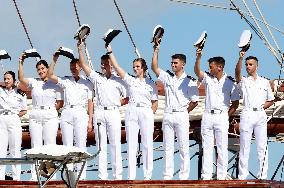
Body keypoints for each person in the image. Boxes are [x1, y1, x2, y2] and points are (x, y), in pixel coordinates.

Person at [77, 40, 128, 180]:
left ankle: (117, 176)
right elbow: (83, 65)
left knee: (115, 144)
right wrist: (80, 49)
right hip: (100, 112)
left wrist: (117, 103)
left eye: (106, 64)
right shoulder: (97, 78)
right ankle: (102, 177)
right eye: (102, 64)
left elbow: (128, 97)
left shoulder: (119, 80)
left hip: (113, 112)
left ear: (111, 65)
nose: (103, 66)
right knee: (101, 146)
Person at [107, 44, 158, 180]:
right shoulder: (130, 80)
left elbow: (155, 102)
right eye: (134, 67)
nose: (135, 69)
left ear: (143, 68)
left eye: (138, 66)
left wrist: (150, 115)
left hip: (146, 111)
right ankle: (131, 176)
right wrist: (110, 50)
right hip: (132, 110)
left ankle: (147, 176)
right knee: (132, 144)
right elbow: (117, 67)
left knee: (147, 144)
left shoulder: (151, 84)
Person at [152, 40, 199, 180]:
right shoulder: (167, 77)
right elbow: (154, 67)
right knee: (167, 146)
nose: (173, 65)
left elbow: (195, 101)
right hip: (168, 114)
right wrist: (156, 50)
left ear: (183, 64)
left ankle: (183, 176)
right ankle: (167, 175)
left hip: (181, 114)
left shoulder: (189, 81)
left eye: (175, 63)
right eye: (172, 63)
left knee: (184, 146)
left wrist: (184, 111)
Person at [194, 47, 240, 180]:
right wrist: (198, 57)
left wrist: (226, 115)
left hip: (221, 116)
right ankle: (206, 175)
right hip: (208, 115)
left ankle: (221, 175)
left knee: (221, 146)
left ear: (219, 67)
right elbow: (197, 71)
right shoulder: (208, 78)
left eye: (211, 67)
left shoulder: (230, 82)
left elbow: (235, 103)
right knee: (207, 146)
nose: (209, 69)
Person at [48, 51, 93, 180]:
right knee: (67, 145)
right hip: (67, 112)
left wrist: (90, 121)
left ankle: (81, 176)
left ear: (80, 67)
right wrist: (54, 59)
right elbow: (50, 75)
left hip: (80, 112)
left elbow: (90, 103)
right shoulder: (66, 80)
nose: (73, 70)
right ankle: (68, 174)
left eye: (75, 67)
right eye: (71, 68)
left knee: (80, 145)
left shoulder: (87, 83)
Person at [18, 55, 63, 180]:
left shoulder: (55, 84)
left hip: (50, 115)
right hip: (36, 115)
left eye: (43, 68)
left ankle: (49, 176)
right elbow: (21, 78)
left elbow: (60, 103)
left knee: (49, 145)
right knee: (36, 146)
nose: (41, 71)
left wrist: (52, 109)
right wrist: (21, 62)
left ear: (47, 69)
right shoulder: (34, 82)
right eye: (39, 69)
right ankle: (35, 176)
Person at [235, 51, 274, 180]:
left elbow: (270, 100)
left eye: (250, 64)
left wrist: (263, 107)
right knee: (245, 146)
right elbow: (237, 74)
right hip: (247, 113)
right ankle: (242, 176)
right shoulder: (244, 81)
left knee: (262, 146)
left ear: (256, 66)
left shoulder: (265, 82)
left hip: (260, 114)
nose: (248, 66)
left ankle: (262, 175)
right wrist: (240, 58)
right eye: (246, 64)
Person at [0, 71, 27, 180]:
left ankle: (16, 178)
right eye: (5, 79)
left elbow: (24, 110)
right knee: (1, 149)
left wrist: (15, 115)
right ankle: (0, 178)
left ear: (14, 80)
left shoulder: (20, 93)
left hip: (14, 119)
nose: (6, 81)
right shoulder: (0, 91)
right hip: (2, 119)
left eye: (8, 79)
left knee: (15, 149)